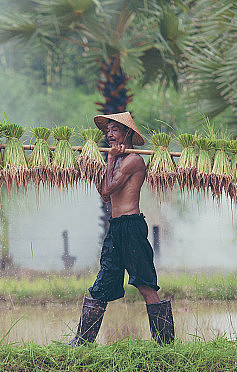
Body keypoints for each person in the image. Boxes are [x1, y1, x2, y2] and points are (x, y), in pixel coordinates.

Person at [70, 112, 174, 345]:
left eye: (115, 129)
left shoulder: (133, 160)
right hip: (116, 227)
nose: (109, 134)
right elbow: (106, 196)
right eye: (108, 130)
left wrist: (107, 162)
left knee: (145, 284)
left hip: (131, 227)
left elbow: (107, 190)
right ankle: (81, 344)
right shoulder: (117, 160)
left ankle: (165, 345)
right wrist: (91, 169)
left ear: (127, 133)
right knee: (102, 284)